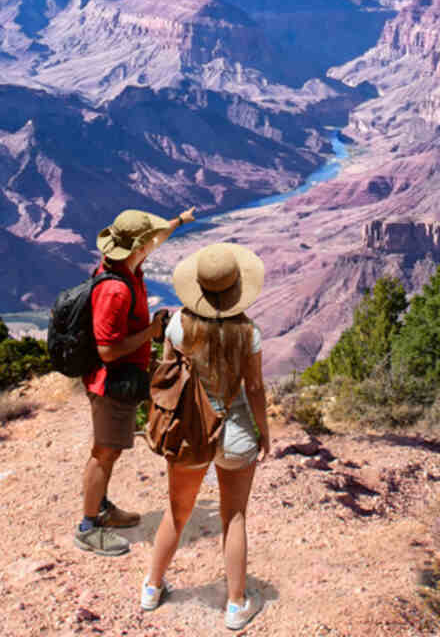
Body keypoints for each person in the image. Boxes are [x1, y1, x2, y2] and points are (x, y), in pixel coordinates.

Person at [141, 242, 270, 631]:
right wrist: (265, 434)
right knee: (234, 516)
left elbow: (168, 374)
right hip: (236, 431)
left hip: (189, 431)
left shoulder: (178, 325)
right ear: (235, 290)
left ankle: (152, 587)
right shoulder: (248, 333)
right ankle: (235, 604)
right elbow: (256, 388)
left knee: (177, 512)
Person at [74, 207, 194, 557]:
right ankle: (87, 526)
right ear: (136, 246)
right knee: (104, 452)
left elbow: (156, 239)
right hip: (108, 383)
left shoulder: (127, 266)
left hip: (119, 379)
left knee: (110, 451)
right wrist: (152, 332)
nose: (152, 244)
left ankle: (102, 507)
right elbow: (108, 350)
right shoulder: (116, 291)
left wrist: (179, 222)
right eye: (147, 240)